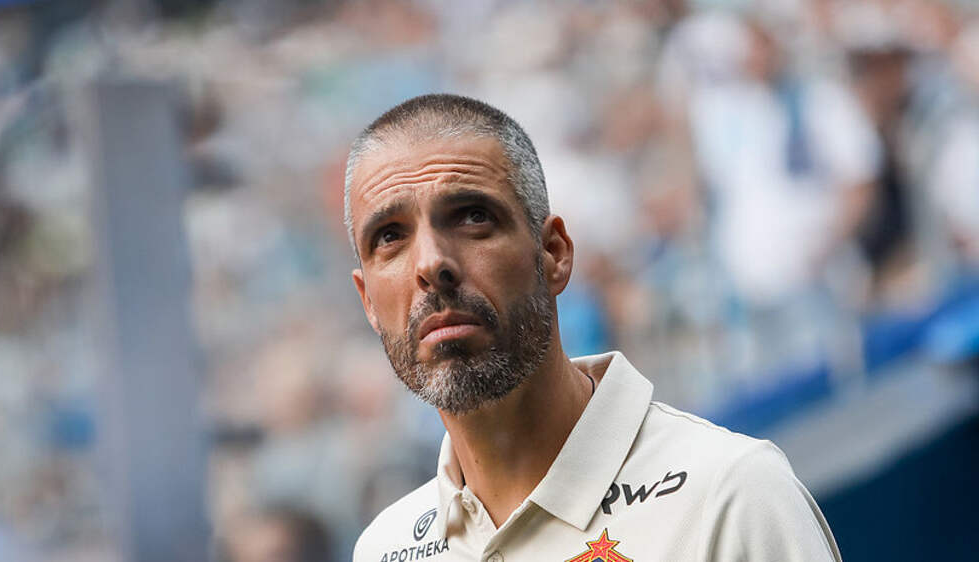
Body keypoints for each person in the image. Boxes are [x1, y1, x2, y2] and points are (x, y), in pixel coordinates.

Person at [344, 94, 841, 562]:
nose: (431, 263)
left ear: (554, 254)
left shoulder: (730, 496)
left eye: (473, 217)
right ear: (368, 301)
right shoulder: (383, 548)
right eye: (389, 237)